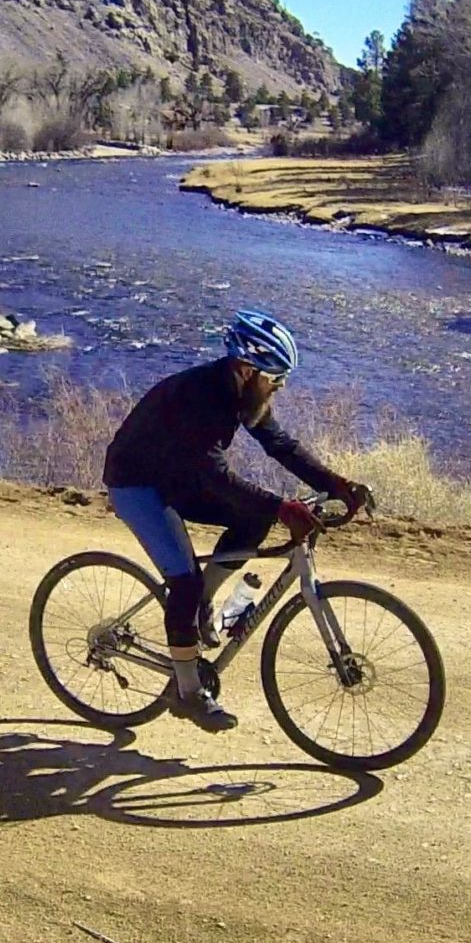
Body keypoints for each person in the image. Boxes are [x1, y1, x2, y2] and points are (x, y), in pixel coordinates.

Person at [103, 310, 370, 731]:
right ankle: (188, 692)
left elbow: (279, 443)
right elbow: (216, 477)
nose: (279, 388)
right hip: (137, 484)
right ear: (248, 370)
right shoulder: (201, 399)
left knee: (252, 520)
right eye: (275, 379)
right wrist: (283, 506)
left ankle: (200, 604)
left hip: (178, 475)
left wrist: (337, 484)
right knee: (184, 579)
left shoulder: (243, 392)